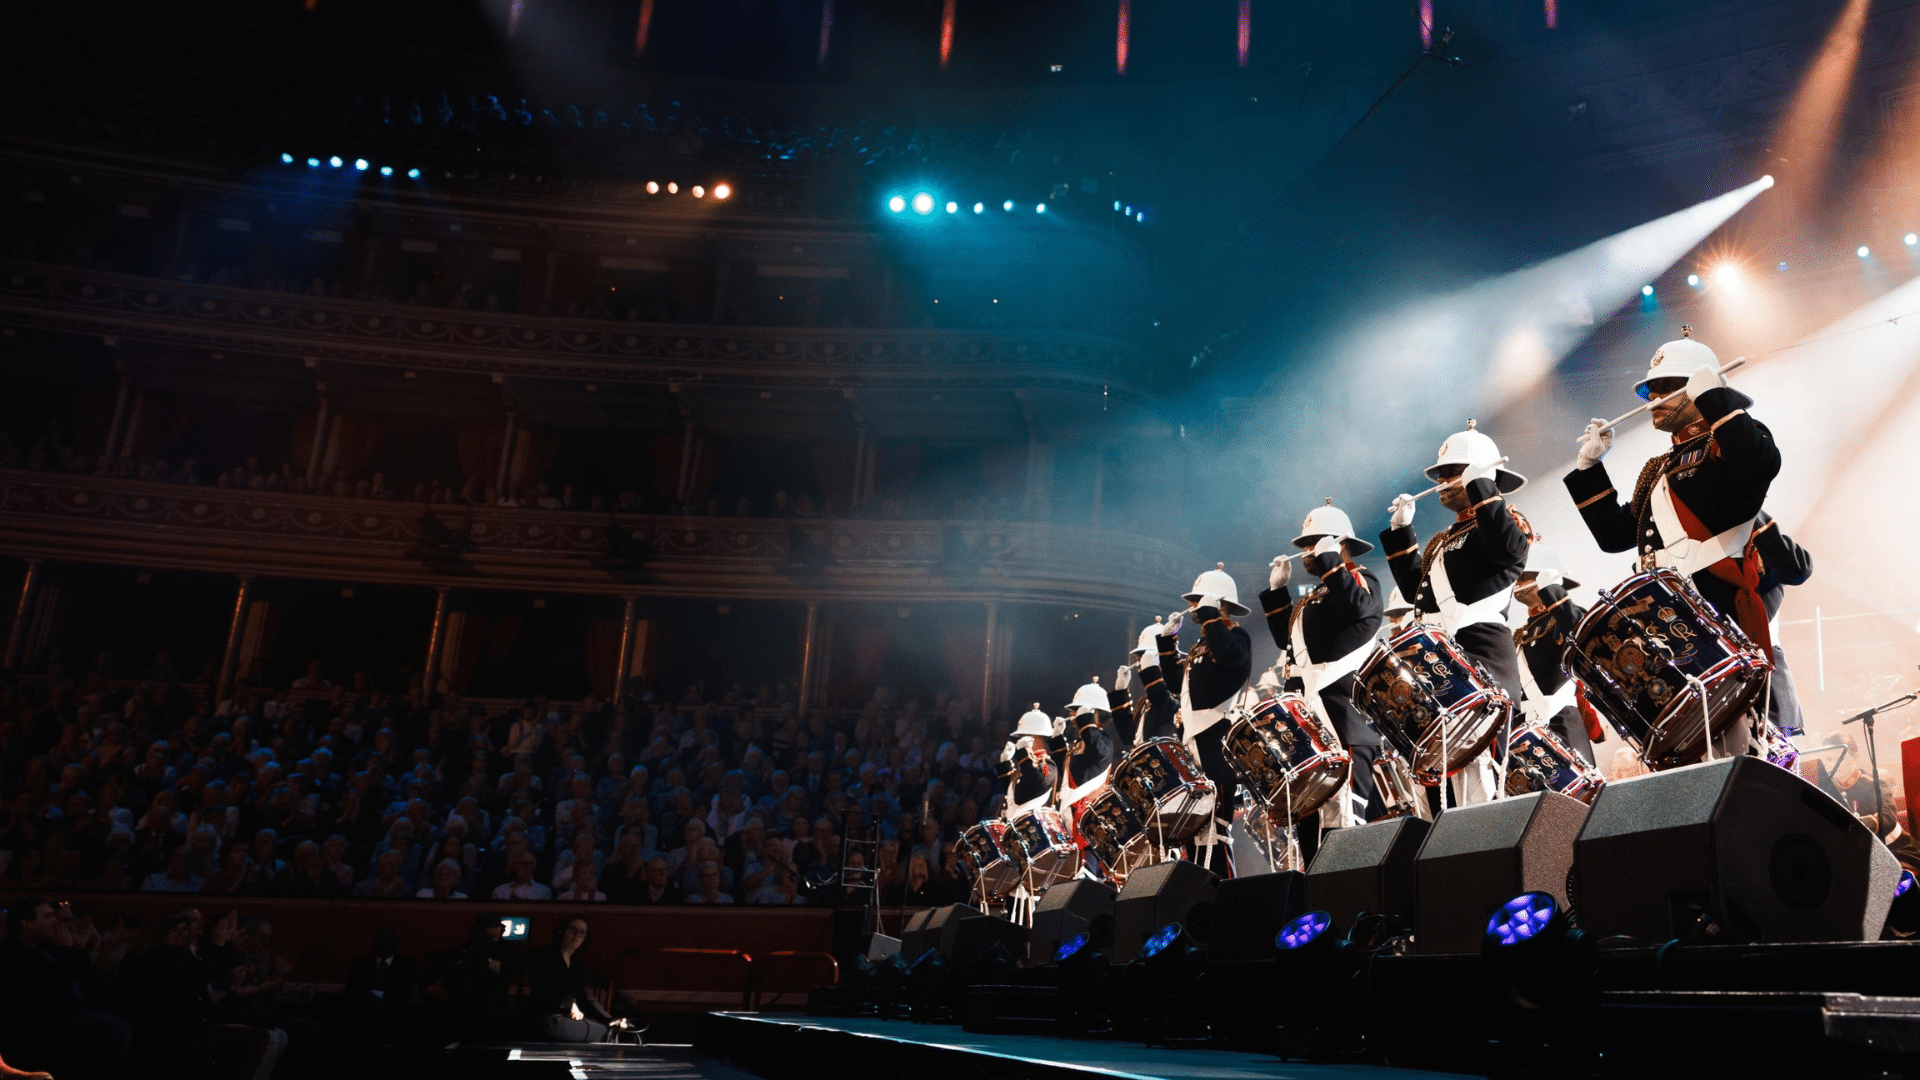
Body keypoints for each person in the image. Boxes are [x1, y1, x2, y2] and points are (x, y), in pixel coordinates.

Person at [1565, 327, 1781, 756]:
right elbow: (1614, 536)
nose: (1652, 398)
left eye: (1665, 387)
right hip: (1661, 620)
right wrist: (1591, 470)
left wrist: (1718, 401)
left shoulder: (1733, 441)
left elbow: (1759, 466)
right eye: (1651, 389)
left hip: (1714, 611)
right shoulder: (1656, 467)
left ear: (1696, 389)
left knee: (1734, 744)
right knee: (1685, 750)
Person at [1382, 420, 1531, 805]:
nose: (1445, 480)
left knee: (1480, 790)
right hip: (1440, 670)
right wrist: (1402, 535)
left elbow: (1509, 552)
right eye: (1443, 473)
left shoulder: (1506, 523)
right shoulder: (1445, 540)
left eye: (1455, 472)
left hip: (1480, 665)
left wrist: (1483, 487)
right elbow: (1421, 594)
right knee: (1443, 798)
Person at [1262, 500, 1386, 853]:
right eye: (1304, 545)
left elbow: (1357, 607)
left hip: (1342, 722)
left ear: (1338, 543)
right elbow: (1293, 643)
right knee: (1311, 837)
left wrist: (1333, 563)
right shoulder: (1316, 597)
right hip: (1311, 727)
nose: (1305, 552)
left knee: (1343, 830)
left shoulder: (1361, 580)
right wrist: (1277, 596)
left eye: (1313, 543)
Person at [1160, 563, 1254, 871]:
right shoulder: (1202, 644)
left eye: (1200, 600)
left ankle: (1224, 905)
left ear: (1218, 603)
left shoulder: (1235, 638)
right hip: (1192, 747)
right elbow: (1178, 684)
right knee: (1193, 839)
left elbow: (1230, 658)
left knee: (1216, 838)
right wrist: (1167, 643)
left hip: (1217, 747)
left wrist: (1214, 618)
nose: (1193, 607)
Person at [0, 897, 133, 1080]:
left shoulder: (44, 947)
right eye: (47, 917)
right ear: (26, 924)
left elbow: (84, 985)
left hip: (65, 1015)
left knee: (133, 1019)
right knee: (119, 1030)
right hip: (40, 1027)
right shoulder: (12, 953)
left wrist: (79, 948)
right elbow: (56, 995)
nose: (55, 922)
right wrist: (68, 950)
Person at [1511, 544, 1605, 768]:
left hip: (1563, 724)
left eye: (1525, 575)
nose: (1518, 582)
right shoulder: (1520, 634)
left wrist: (1553, 593)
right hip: (1528, 731)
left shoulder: (1565, 618)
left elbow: (1584, 642)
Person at [528, 917, 630, 1042]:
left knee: (609, 1029)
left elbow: (587, 999)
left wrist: (609, 1019)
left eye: (582, 932)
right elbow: (544, 992)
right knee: (606, 1034)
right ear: (562, 931)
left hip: (561, 1018)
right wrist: (569, 1005)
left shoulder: (576, 964)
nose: (577, 935)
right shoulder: (547, 955)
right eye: (573, 929)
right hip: (545, 1020)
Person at [343, 927, 417, 1060]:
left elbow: (404, 994)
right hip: (361, 1017)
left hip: (393, 1017)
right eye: (380, 939)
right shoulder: (361, 964)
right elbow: (350, 992)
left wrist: (380, 999)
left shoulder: (407, 966)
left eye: (389, 939)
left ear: (396, 942)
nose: (384, 943)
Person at [1112, 622, 1178, 746]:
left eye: (1143, 660)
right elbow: (1128, 737)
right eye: (1139, 660)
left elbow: (1163, 704)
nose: (1140, 666)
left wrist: (1152, 673)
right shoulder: (1145, 701)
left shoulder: (1176, 694)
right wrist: (1121, 693)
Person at [993, 708, 1056, 818]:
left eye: (1023, 736)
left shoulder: (1047, 765)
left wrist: (1023, 753)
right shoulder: (1026, 765)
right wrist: (1005, 765)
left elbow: (1036, 782)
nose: (1018, 741)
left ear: (1034, 739)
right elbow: (1015, 794)